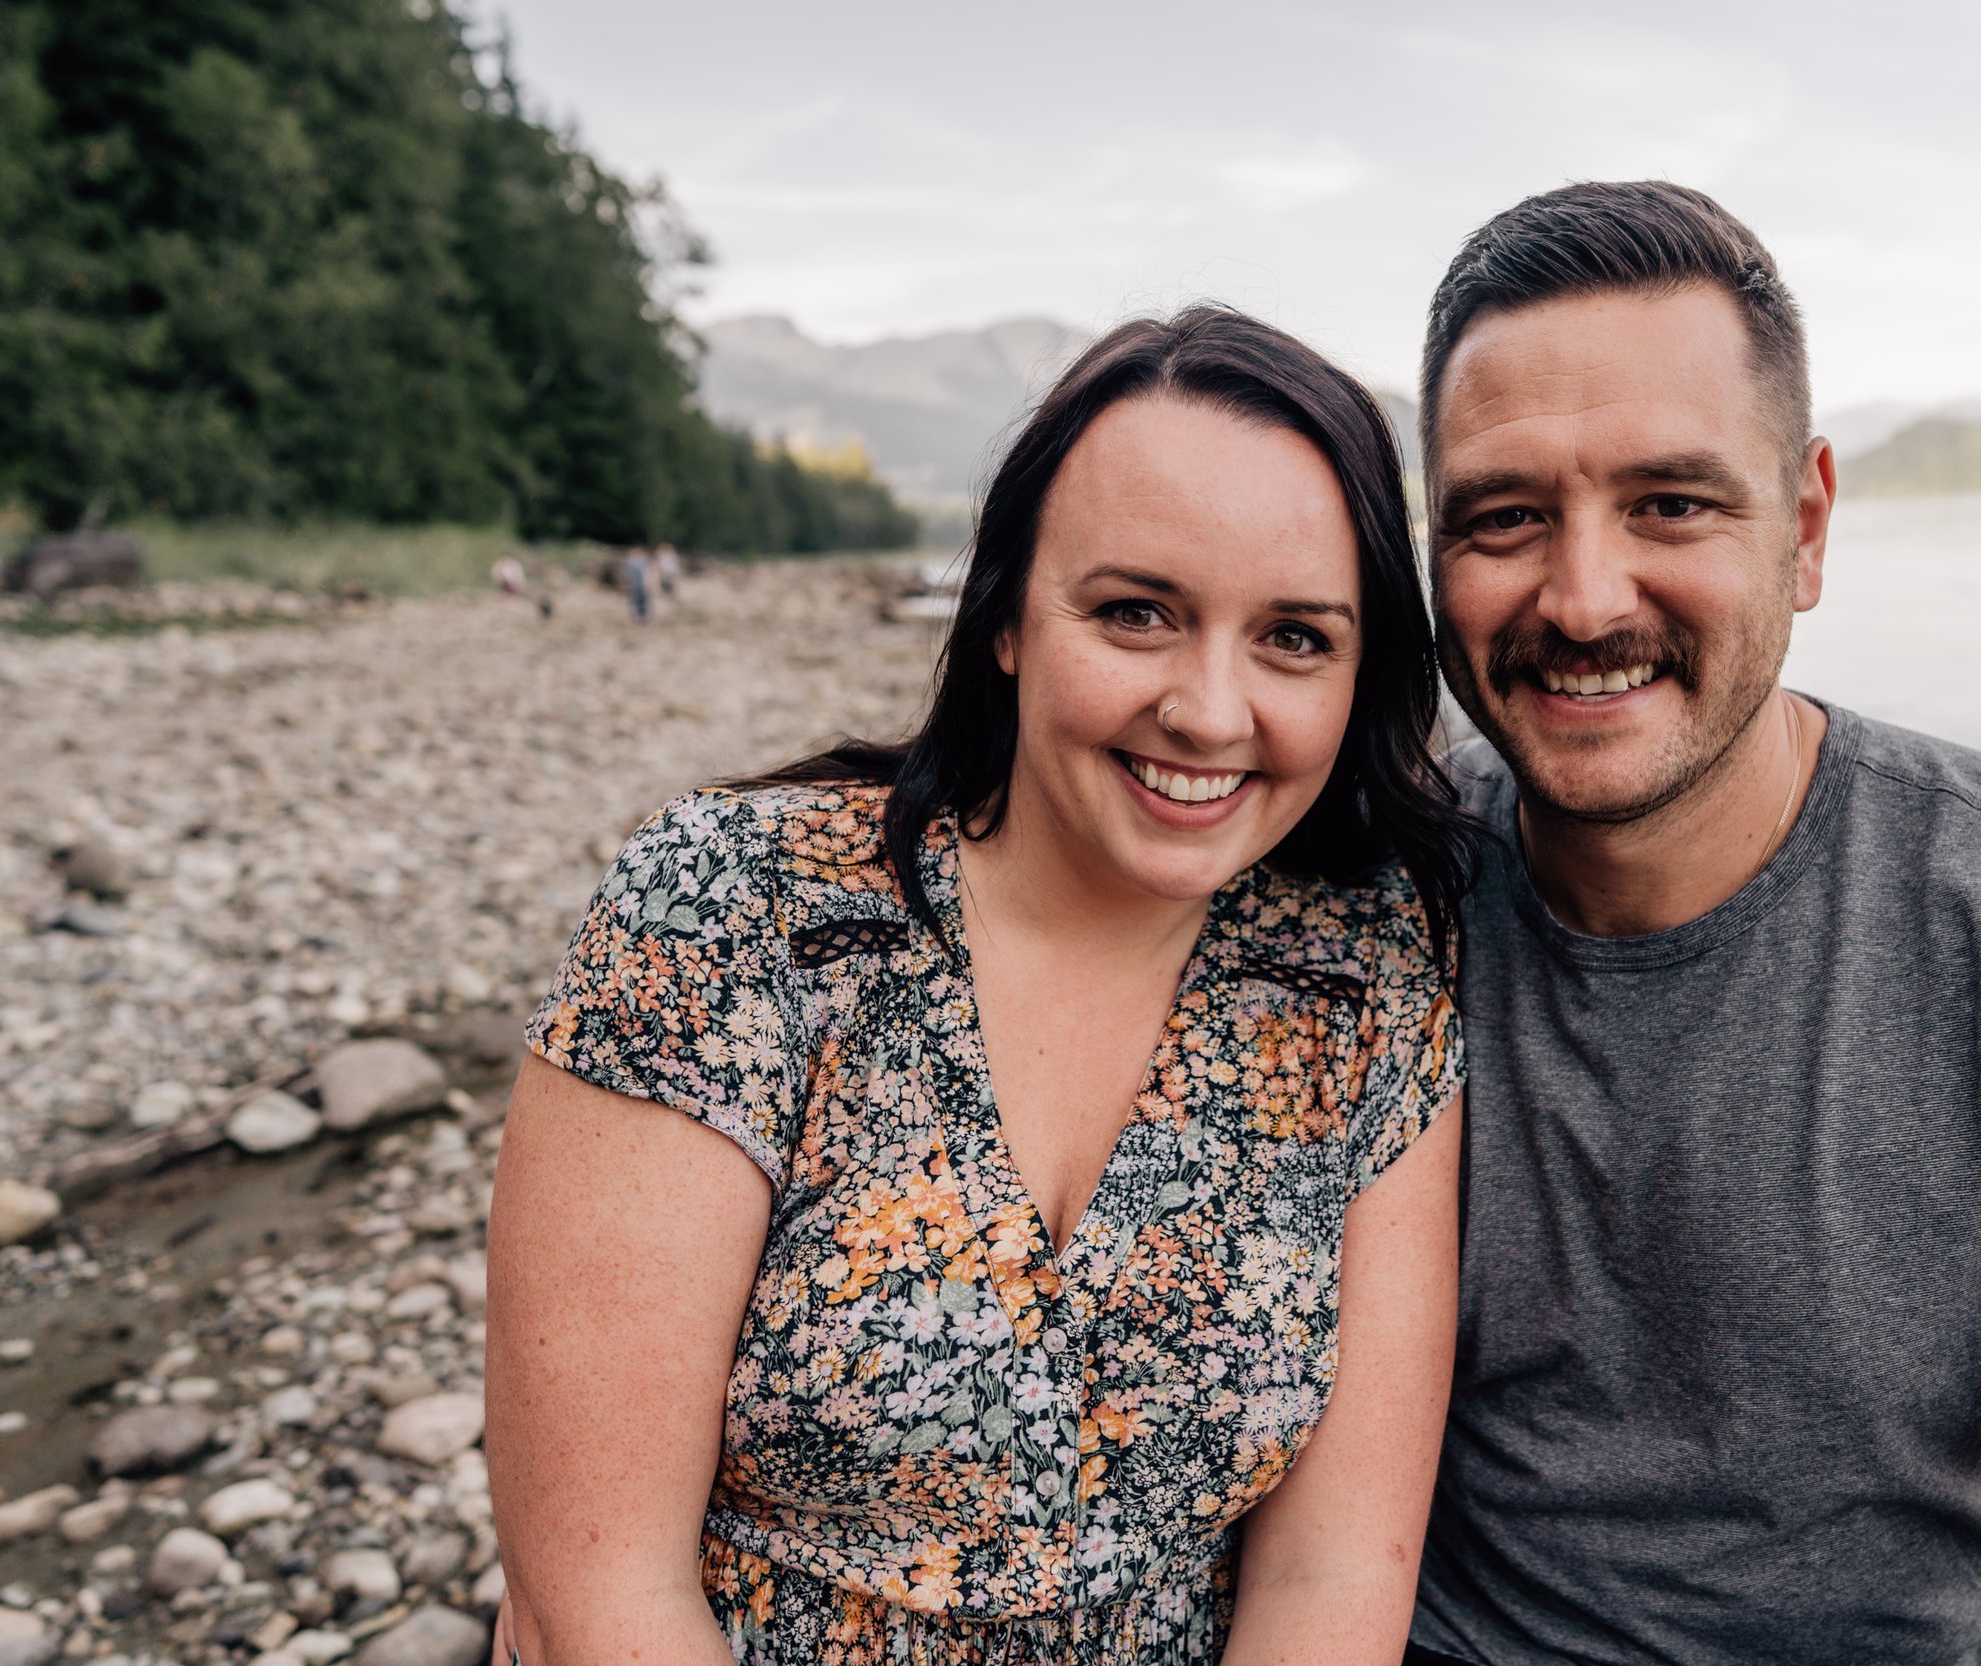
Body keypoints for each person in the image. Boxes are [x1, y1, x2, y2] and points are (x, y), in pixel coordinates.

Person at [1406, 183, 1981, 1666]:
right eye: (1507, 517)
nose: (1584, 597)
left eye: (1671, 502)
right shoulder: (1365, 909)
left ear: (1807, 524)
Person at [486, 306, 1478, 1666]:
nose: (1207, 707)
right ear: (1008, 615)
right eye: (1137, 612)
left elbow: (1333, 1581)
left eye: (1294, 637)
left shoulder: (1358, 975)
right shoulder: (740, 908)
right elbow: (593, 1599)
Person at [619, 544, 652, 624]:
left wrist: (651, 584)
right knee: (634, 602)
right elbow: (624, 575)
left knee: (644, 602)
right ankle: (637, 618)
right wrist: (625, 584)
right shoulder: (628, 562)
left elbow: (650, 573)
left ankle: (644, 617)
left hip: (643, 585)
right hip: (633, 585)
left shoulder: (644, 561)